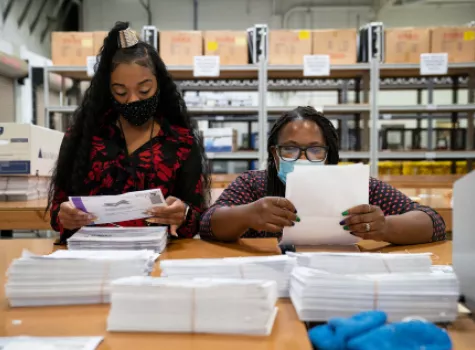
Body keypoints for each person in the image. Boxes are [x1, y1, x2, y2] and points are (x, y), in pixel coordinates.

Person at [47, 22, 210, 243]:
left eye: (144, 89)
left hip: (158, 257)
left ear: (159, 85)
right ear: (108, 91)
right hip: (90, 255)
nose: (133, 99)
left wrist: (184, 214)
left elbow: (199, 218)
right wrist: (63, 216)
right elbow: (58, 210)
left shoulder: (180, 142)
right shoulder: (83, 137)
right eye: (121, 92)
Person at [200, 106, 445, 245]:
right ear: (275, 154)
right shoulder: (253, 185)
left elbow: (433, 222)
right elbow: (208, 224)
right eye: (290, 148)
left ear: (329, 154)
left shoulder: (357, 188)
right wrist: (248, 214)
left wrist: (385, 227)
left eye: (315, 149)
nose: (303, 158)